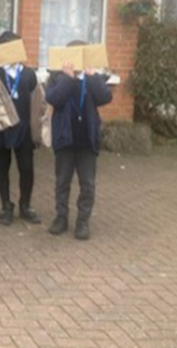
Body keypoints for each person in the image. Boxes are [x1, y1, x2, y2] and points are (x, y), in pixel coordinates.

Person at [46, 41, 113, 241]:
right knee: (62, 182)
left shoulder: (92, 78)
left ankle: (83, 221)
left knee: (88, 184)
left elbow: (105, 97)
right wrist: (67, 78)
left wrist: (92, 77)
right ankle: (61, 217)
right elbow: (54, 99)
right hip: (65, 139)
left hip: (87, 140)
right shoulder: (56, 77)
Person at [0, 31, 41, 226]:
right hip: (1, 126)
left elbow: (37, 101)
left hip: (24, 126)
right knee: (2, 166)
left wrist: (37, 128)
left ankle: (25, 205)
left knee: (26, 167)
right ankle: (5, 205)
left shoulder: (29, 74)